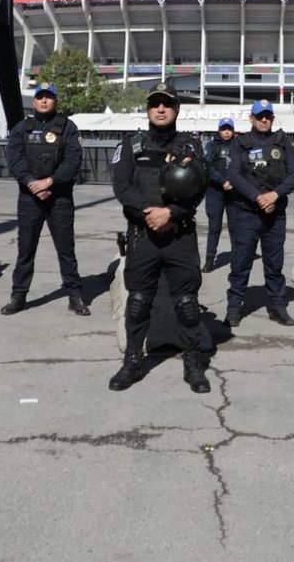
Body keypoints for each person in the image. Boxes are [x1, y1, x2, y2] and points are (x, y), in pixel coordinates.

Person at [108, 81, 211, 393]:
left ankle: (193, 363)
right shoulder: (130, 145)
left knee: (187, 304)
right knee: (138, 303)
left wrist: (172, 213)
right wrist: (148, 211)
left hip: (179, 236)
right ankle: (132, 362)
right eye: (155, 104)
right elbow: (122, 187)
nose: (161, 109)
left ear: (177, 108)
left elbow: (200, 186)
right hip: (143, 237)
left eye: (167, 103)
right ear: (148, 109)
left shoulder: (191, 146)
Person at [1, 82, 86, 316]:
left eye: (49, 97)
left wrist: (49, 183)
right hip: (29, 198)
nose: (44, 101)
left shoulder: (68, 128)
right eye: (40, 97)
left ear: (55, 101)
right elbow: (15, 159)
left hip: (59, 198)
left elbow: (73, 162)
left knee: (66, 250)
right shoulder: (22, 128)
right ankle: (18, 296)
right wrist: (32, 183)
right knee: (25, 250)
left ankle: (75, 295)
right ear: (35, 100)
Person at [225, 99, 294, 327]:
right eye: (260, 116)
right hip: (247, 213)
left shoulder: (283, 141)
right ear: (251, 118)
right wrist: (258, 197)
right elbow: (234, 174)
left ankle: (277, 306)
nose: (264, 119)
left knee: (274, 263)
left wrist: (275, 195)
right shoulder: (240, 143)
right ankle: (234, 307)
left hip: (275, 215)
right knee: (241, 262)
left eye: (268, 115)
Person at [202, 117, 238, 272]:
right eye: (224, 129)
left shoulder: (238, 146)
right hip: (215, 191)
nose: (227, 132)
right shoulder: (211, 146)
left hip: (234, 192)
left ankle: (238, 258)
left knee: (235, 227)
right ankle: (210, 259)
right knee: (214, 227)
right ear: (219, 130)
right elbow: (207, 166)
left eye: (229, 129)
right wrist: (222, 181)